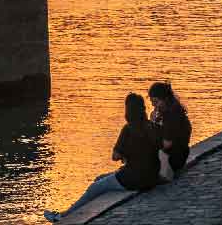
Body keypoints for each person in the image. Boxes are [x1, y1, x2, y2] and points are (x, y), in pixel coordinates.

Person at [44, 94, 160, 223]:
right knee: (100, 179)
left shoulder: (128, 129)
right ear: (143, 108)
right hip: (151, 177)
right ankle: (76, 210)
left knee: (94, 187)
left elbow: (115, 156)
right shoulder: (153, 127)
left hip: (134, 179)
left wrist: (125, 154)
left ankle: (64, 215)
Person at [149, 81, 192, 176]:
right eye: (152, 102)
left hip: (174, 158)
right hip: (178, 155)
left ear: (165, 99)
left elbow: (167, 144)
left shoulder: (172, 116)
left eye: (156, 102)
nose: (153, 105)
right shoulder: (171, 111)